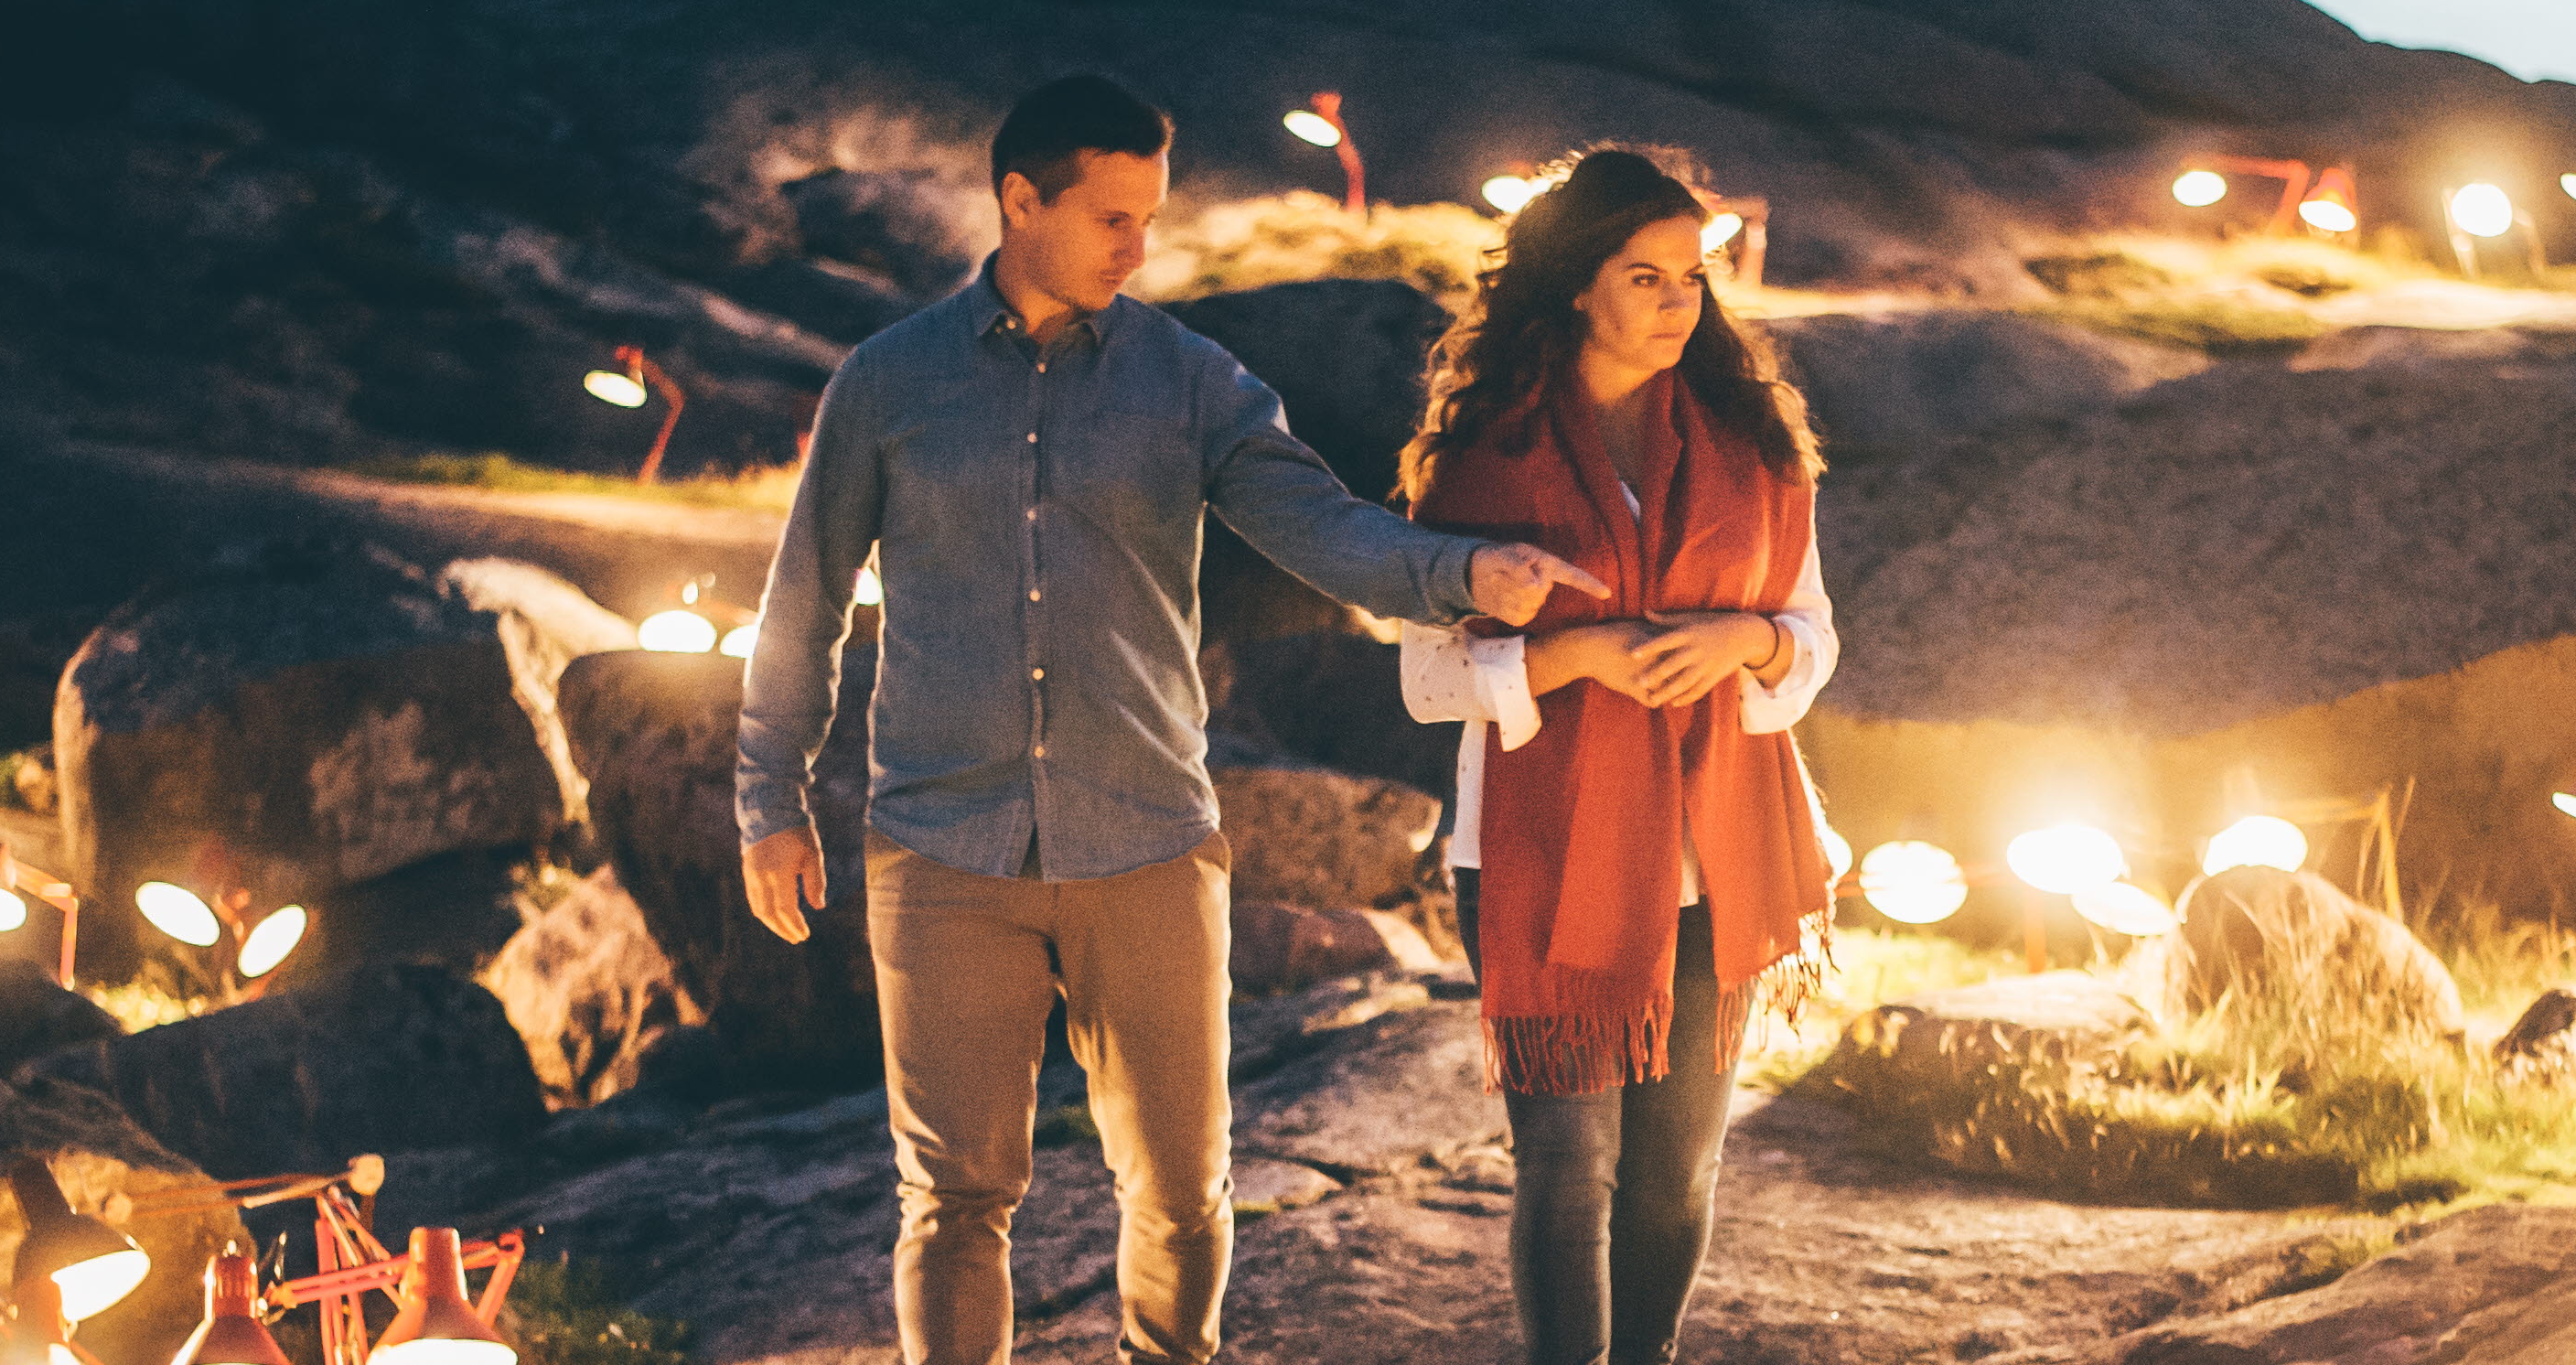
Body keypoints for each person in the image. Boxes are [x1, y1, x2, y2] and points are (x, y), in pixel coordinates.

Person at [731, 73, 1607, 1365]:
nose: (1139, 248)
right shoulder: (886, 381)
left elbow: (1320, 525)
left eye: (1149, 217)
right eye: (1112, 218)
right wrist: (771, 803)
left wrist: (1464, 571)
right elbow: (801, 603)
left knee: (1185, 1190)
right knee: (955, 1196)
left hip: (1146, 842)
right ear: (1019, 201)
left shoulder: (1193, 381)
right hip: (942, 851)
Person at [1395, 145, 1842, 1365]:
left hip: (1716, 850)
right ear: (1575, 285)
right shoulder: (1484, 458)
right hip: (1543, 851)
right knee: (1566, 1166)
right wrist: (1573, 657)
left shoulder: (1755, 446)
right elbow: (1428, 679)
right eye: (1644, 276)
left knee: (1676, 1175)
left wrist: (1746, 639)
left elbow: (1812, 637)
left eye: (1691, 276)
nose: (1676, 302)